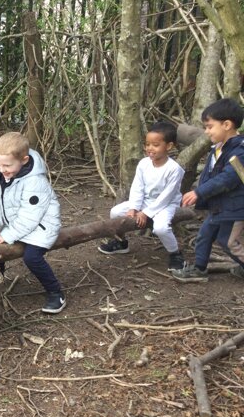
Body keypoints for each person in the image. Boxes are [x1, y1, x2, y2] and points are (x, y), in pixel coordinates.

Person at [0, 132, 66, 314]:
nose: (1, 169)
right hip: (16, 224)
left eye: (7, 165)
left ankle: (55, 292)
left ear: (24, 160)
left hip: (41, 226)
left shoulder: (35, 181)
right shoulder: (0, 175)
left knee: (32, 257)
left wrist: (9, 234)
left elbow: (30, 216)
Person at [173, 98, 244, 282]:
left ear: (227, 125)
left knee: (228, 241)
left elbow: (228, 178)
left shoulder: (240, 151)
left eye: (210, 126)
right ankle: (199, 268)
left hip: (234, 208)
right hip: (218, 207)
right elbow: (209, 175)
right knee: (204, 235)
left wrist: (199, 192)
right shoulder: (218, 148)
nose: (206, 131)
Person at [98, 121, 185, 271]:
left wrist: (146, 213)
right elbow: (138, 187)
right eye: (147, 144)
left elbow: (167, 196)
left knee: (161, 228)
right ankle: (121, 242)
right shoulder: (144, 164)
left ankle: (175, 254)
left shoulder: (174, 169)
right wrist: (134, 207)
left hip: (166, 205)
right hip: (145, 201)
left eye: (155, 145)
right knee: (115, 212)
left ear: (169, 146)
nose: (150, 148)